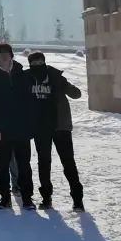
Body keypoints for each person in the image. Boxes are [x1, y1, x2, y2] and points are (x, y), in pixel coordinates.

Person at [25, 52, 85, 212]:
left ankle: (78, 199)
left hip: (60, 126)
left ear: (44, 61)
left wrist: (67, 87)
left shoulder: (55, 76)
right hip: (40, 127)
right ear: (30, 63)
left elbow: (76, 93)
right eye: (34, 62)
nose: (37, 64)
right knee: (44, 164)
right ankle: (46, 197)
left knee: (68, 162)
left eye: (40, 61)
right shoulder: (26, 78)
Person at [0, 42, 35, 210]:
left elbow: (29, 101)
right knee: (3, 165)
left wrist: (29, 124)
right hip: (2, 129)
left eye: (7, 52)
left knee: (24, 165)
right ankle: (5, 198)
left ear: (11, 55)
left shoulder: (21, 73)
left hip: (21, 128)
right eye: (0, 53)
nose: (4, 56)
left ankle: (27, 198)